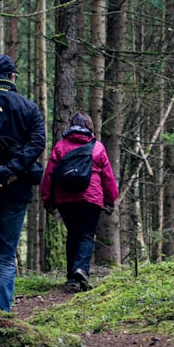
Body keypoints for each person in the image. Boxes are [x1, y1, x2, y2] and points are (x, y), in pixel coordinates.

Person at [0, 54, 46, 311]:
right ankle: (2, 311)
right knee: (5, 255)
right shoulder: (28, 107)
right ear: (12, 76)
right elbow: (37, 143)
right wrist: (10, 171)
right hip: (17, 189)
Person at [40, 112, 119, 292]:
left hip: (65, 200)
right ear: (89, 126)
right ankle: (81, 269)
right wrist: (110, 199)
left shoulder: (60, 146)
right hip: (91, 198)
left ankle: (72, 278)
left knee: (73, 235)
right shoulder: (97, 147)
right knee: (87, 235)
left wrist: (47, 199)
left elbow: (50, 175)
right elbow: (107, 177)